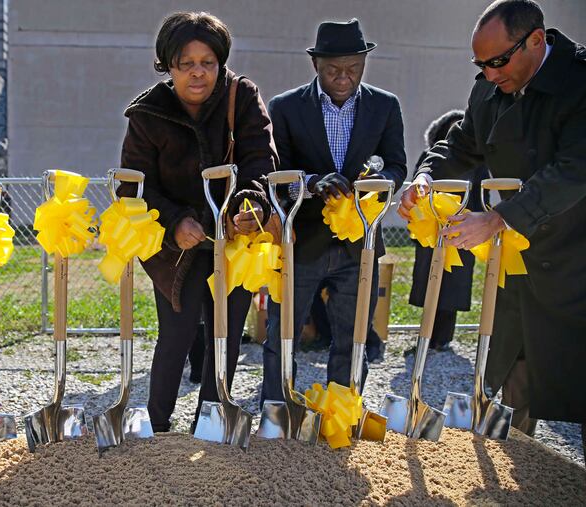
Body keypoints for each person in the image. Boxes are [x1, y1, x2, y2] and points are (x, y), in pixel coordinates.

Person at [398, 0, 586, 452]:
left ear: (537, 41)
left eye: (497, 61)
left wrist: (499, 218)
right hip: (523, 259)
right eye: (479, 64)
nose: (488, 75)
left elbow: (574, 169)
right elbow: (461, 143)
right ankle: (523, 465)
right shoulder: (489, 88)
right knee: (516, 372)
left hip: (577, 254)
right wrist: (425, 175)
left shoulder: (579, 83)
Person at [118, 11, 277, 433]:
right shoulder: (149, 114)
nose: (198, 73)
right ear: (167, 65)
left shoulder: (241, 97)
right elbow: (133, 186)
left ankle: (210, 420)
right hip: (178, 247)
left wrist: (252, 203)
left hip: (235, 237)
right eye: (186, 64)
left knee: (224, 337)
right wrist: (174, 222)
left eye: (208, 62)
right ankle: (156, 424)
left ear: (220, 62)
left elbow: (259, 158)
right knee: (178, 332)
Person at [261, 19, 407, 407]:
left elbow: (397, 166)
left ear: (363, 63)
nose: (343, 78)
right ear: (316, 65)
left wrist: (374, 182)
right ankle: (277, 409)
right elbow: (276, 173)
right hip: (300, 240)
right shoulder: (286, 107)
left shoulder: (385, 106)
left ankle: (342, 410)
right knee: (283, 333)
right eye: (333, 70)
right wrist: (310, 183)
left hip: (359, 241)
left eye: (353, 69)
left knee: (353, 333)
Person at [407, 110, 490, 353]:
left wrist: (476, 221)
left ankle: (443, 338)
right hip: (432, 231)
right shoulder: (429, 157)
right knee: (428, 283)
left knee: (454, 285)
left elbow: (481, 195)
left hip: (462, 229)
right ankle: (425, 338)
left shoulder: (478, 163)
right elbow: (417, 184)